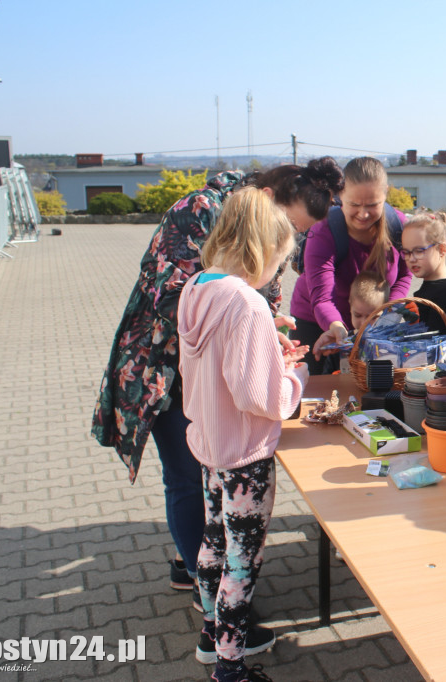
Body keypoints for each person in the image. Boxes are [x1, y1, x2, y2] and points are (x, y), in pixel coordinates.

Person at [91, 159, 343, 603]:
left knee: (208, 489)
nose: (290, 240)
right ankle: (211, 599)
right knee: (186, 477)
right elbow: (171, 292)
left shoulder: (259, 230)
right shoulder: (199, 209)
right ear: (267, 201)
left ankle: (202, 576)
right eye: (290, 226)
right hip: (167, 367)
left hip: (218, 366)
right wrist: (254, 327)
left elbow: (264, 294)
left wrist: (270, 330)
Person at [178, 187, 307, 682]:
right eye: (279, 264)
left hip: (210, 445)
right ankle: (231, 669)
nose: (277, 275)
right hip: (245, 456)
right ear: (264, 250)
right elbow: (260, 397)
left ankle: (211, 637)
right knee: (242, 562)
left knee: (213, 541)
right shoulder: (246, 303)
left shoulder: (200, 287)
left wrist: (263, 333)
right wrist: (295, 377)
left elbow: (216, 356)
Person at [289, 156, 412, 374]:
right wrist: (336, 327)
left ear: (385, 197)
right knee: (314, 390)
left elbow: (404, 275)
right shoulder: (323, 230)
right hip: (317, 322)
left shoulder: (398, 226)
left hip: (372, 323)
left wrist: (386, 315)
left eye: (373, 205)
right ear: (340, 196)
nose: (363, 214)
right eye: (354, 204)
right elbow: (322, 298)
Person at [400, 211, 446, 336]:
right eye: (406, 252)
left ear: (441, 249)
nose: (411, 259)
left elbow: (434, 337)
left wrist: (414, 323)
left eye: (419, 251)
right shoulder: (431, 283)